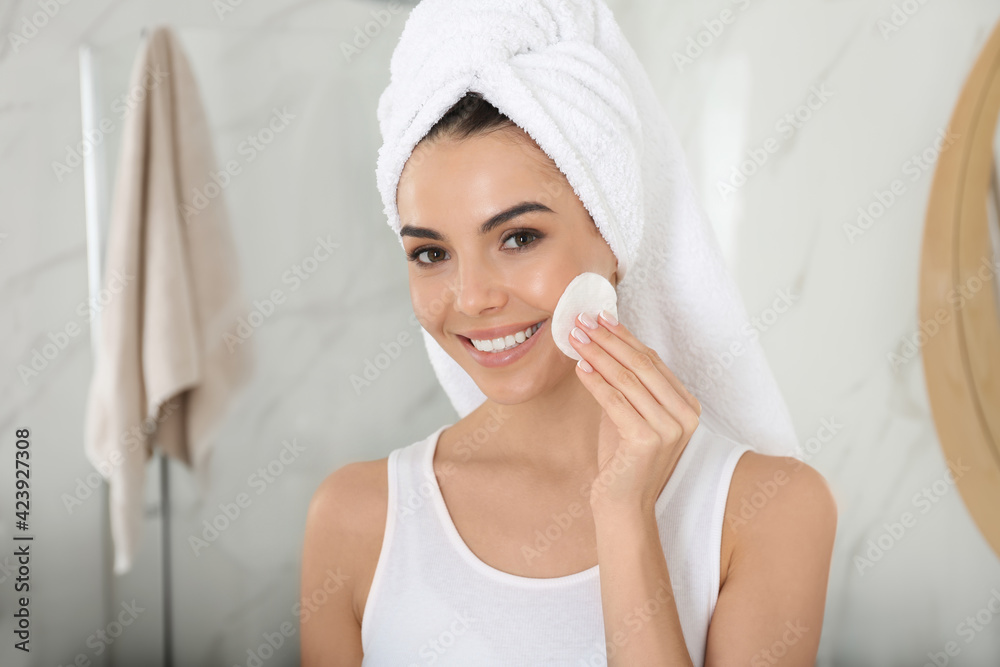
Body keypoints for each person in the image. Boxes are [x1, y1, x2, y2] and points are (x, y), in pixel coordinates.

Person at [300, 89, 837, 666]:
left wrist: (624, 513)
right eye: (431, 253)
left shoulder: (771, 508)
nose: (473, 298)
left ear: (613, 239)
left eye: (519, 238)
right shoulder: (357, 514)